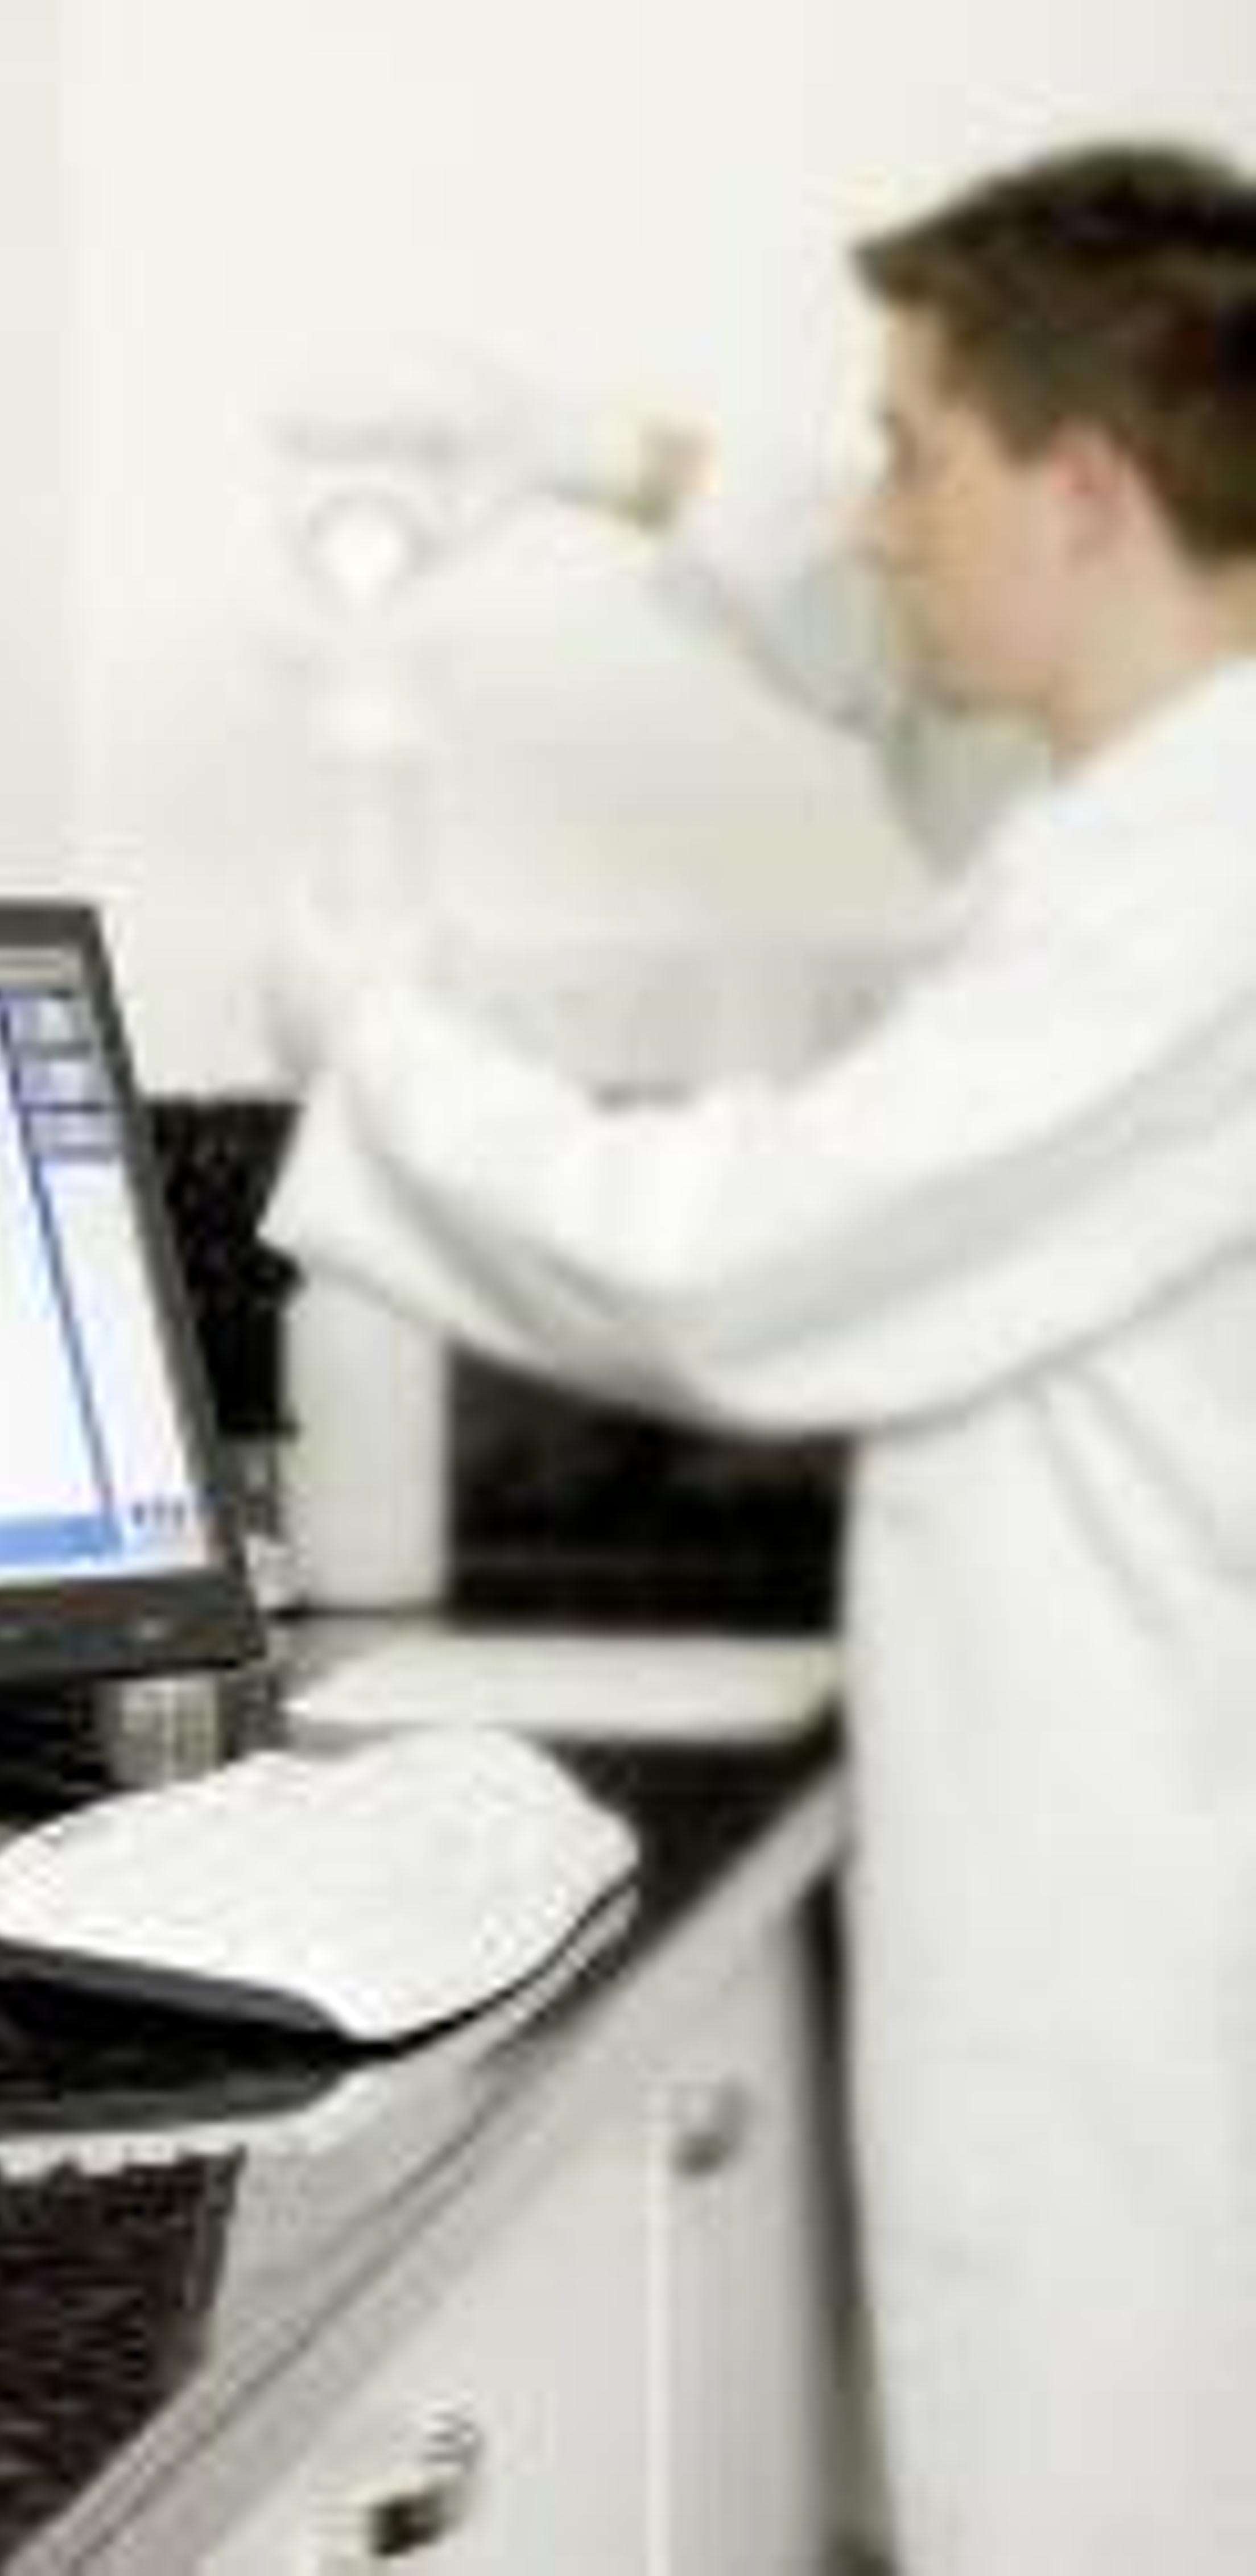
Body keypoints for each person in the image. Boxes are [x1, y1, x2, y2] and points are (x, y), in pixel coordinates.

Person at [263, 141, 1256, 2576]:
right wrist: (602, 458)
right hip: (1110, 1847)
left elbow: (734, 1264)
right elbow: (901, 660)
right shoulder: (1153, 796)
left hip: (1149, 1920)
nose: (877, 520)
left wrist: (385, 1049)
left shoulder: (1200, 898)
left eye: (911, 452)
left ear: (1086, 489)